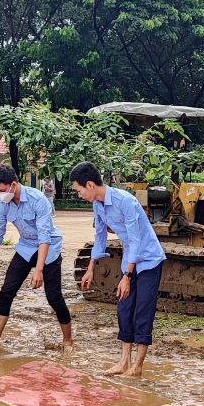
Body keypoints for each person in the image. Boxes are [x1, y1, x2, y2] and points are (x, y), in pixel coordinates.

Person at [72, 161, 166, 378]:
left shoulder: (126, 201)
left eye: (78, 190)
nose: (79, 195)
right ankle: (124, 362)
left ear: (90, 185)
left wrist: (126, 276)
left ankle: (137, 366)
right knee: (124, 309)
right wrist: (90, 268)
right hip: (130, 261)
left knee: (142, 311)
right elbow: (100, 238)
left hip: (148, 260)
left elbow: (135, 240)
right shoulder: (98, 205)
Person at [0, 164, 74, 357]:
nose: (0, 195)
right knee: (6, 293)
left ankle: (68, 340)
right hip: (26, 248)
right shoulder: (3, 205)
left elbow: (44, 237)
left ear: (13, 184)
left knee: (54, 297)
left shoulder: (38, 199)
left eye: (2, 190)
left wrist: (39, 270)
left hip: (49, 248)